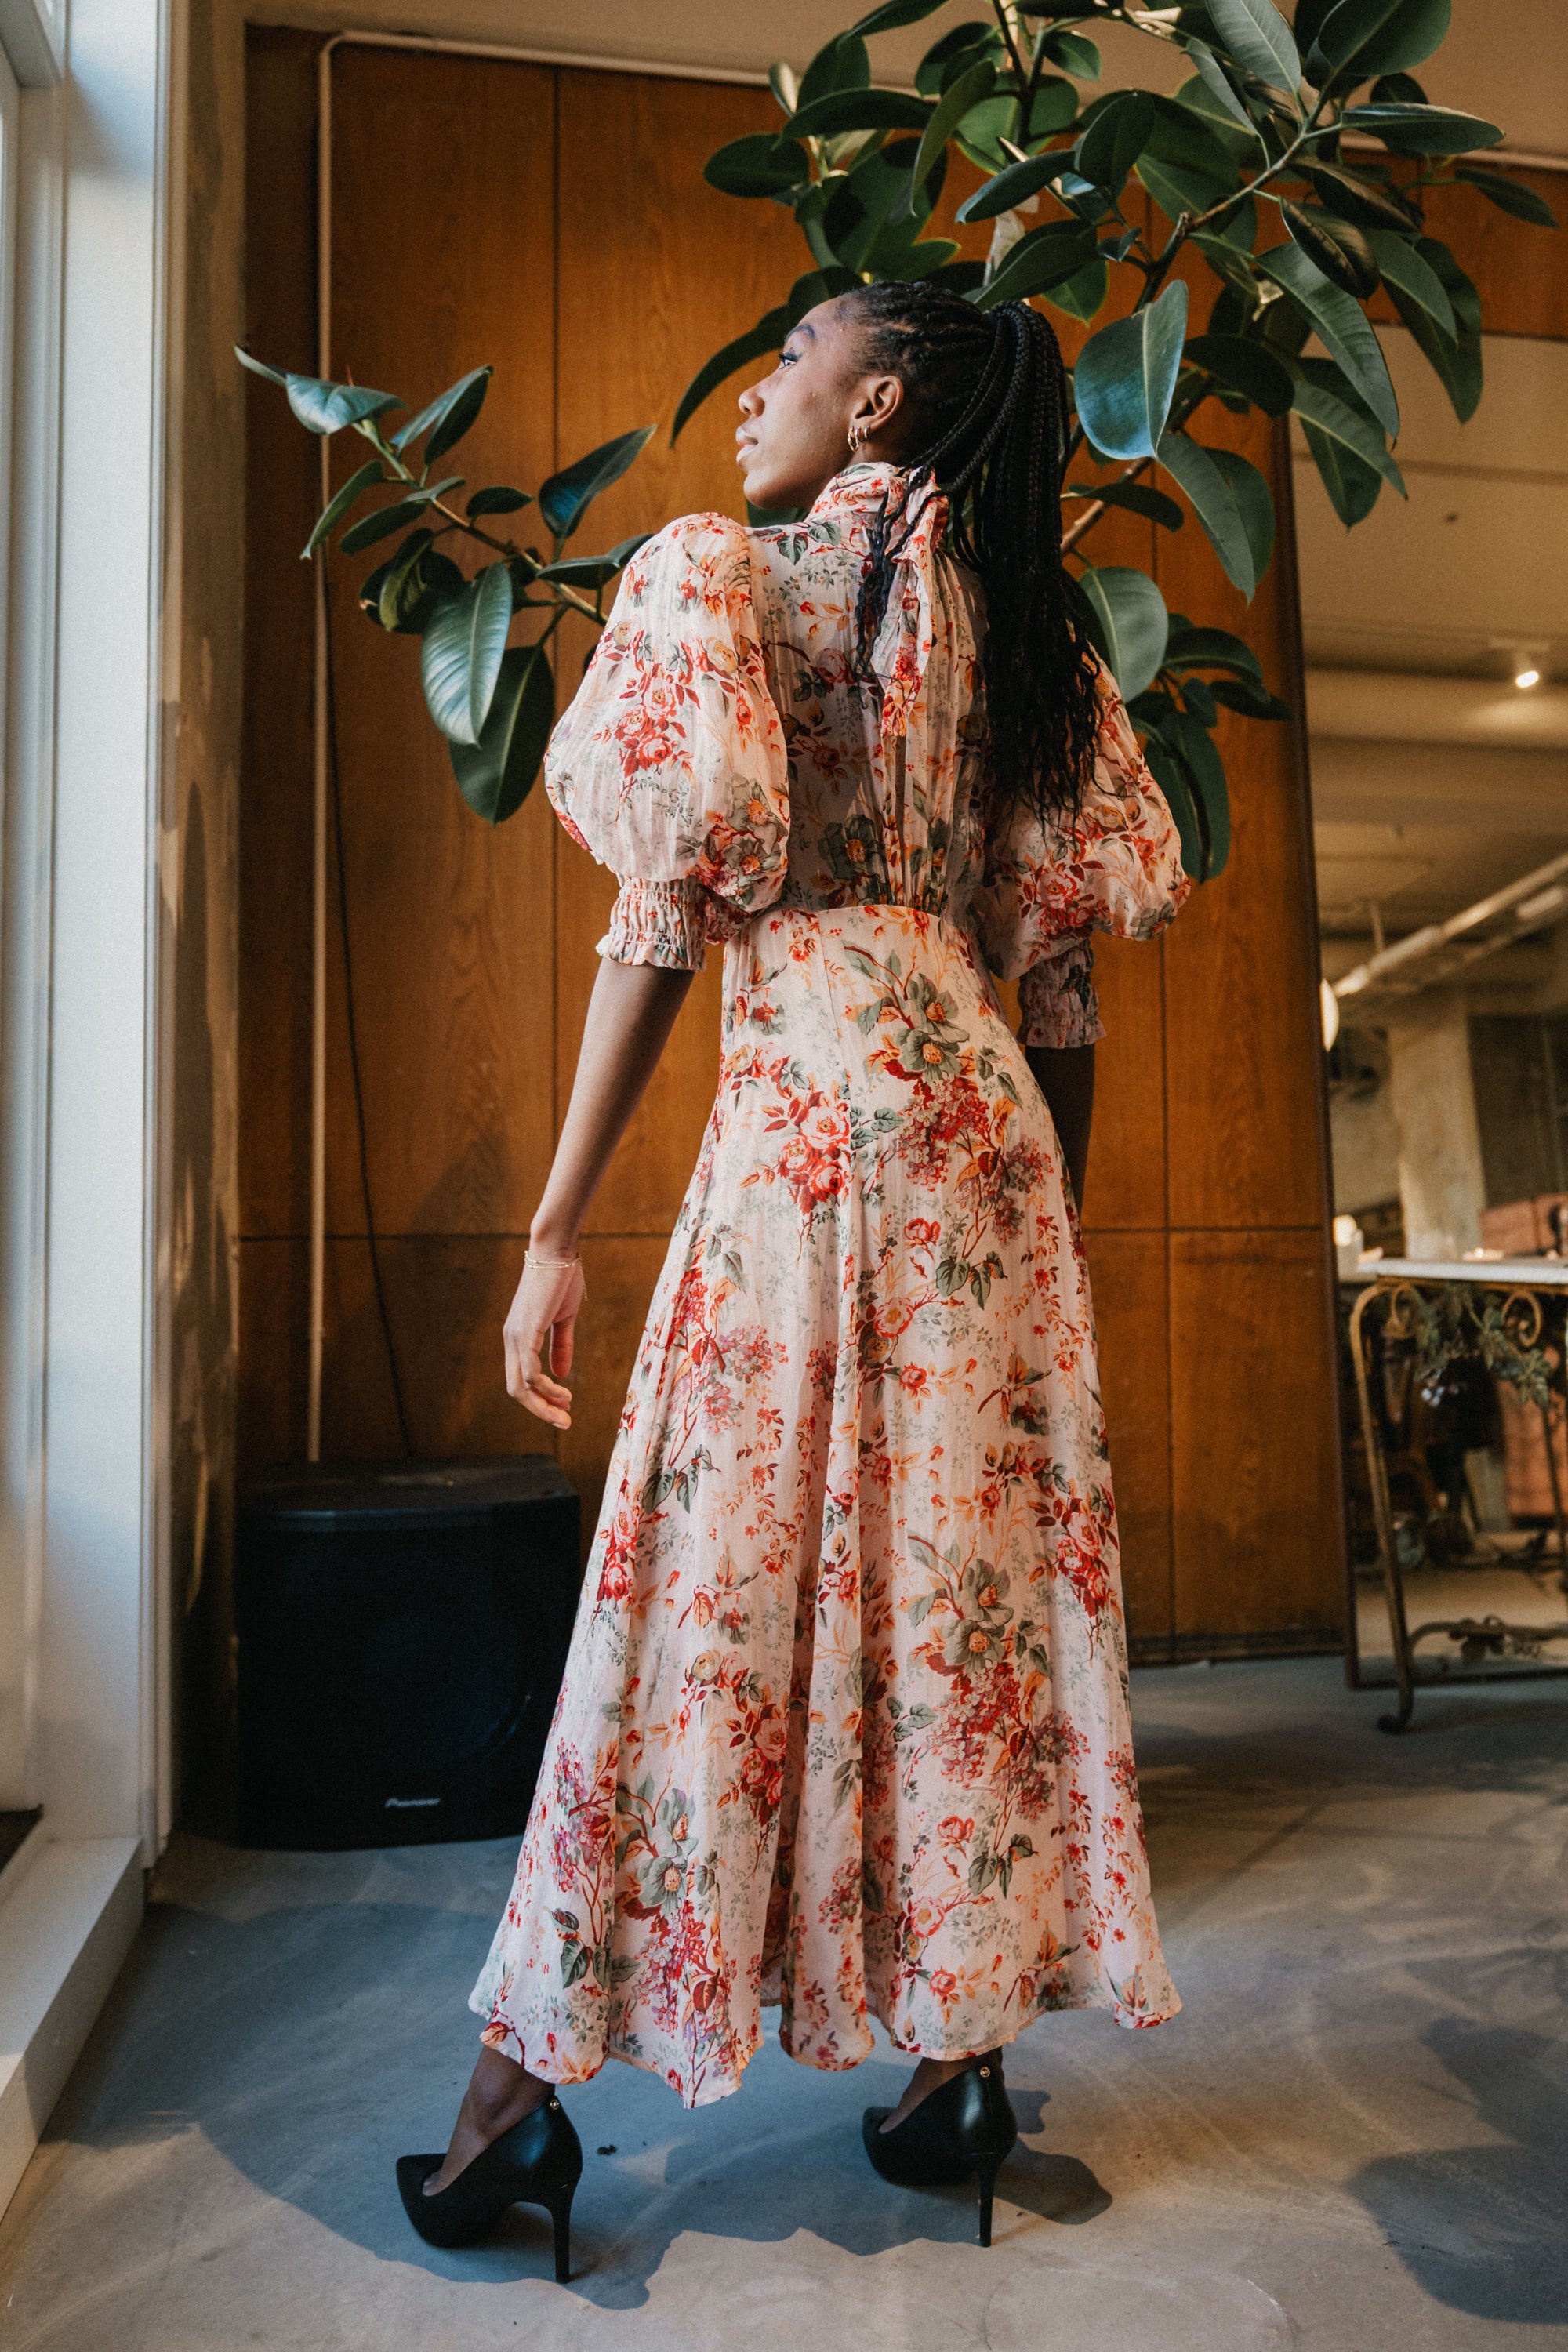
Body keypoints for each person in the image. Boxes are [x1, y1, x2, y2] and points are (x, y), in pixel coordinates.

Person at [397, 282, 1189, 2277]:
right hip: (987, 1155)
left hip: (814, 1128)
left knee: (707, 1582)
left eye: (797, 363)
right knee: (966, 1603)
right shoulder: (1037, 641)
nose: (762, 392)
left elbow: (664, 917)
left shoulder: (716, 578)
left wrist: (554, 1225)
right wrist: (1050, 1234)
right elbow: (1061, 966)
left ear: (881, 401)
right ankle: (952, 2070)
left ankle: (509, 2112)